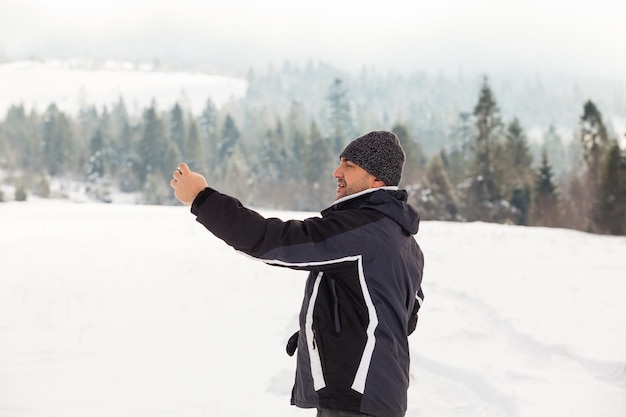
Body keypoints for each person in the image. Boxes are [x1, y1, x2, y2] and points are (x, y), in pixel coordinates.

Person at [170, 130, 425, 417]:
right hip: (375, 395)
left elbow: (274, 240)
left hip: (356, 395)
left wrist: (202, 200)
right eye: (340, 162)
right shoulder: (405, 242)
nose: (336, 172)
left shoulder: (361, 230)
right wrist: (322, 331)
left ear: (377, 179)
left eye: (349, 166)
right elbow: (403, 315)